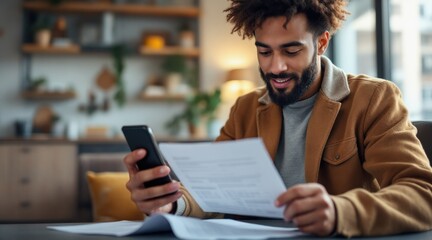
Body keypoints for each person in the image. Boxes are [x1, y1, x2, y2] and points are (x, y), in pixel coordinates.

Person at [123, 0, 432, 237]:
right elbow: (212, 194)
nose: (276, 67)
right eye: (265, 52)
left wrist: (341, 211)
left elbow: (422, 194)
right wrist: (171, 204)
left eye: (291, 51)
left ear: (321, 43)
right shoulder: (244, 109)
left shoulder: (374, 99)